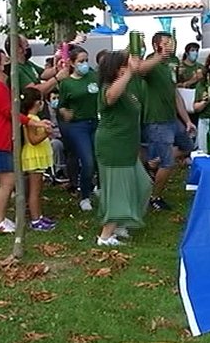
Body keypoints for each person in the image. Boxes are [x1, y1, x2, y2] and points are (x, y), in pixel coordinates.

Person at [0, 49, 52, 234]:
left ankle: (1, 218)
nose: (9, 61)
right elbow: (8, 112)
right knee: (7, 182)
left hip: (2, 140)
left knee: (8, 181)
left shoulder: (0, 85)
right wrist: (32, 122)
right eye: (5, 58)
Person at [94, 51, 152, 246]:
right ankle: (106, 236)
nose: (129, 68)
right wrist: (128, 72)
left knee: (143, 185)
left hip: (127, 147)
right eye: (124, 65)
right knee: (117, 191)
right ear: (116, 69)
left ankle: (120, 224)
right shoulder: (108, 88)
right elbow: (110, 97)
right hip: (114, 147)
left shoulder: (127, 87)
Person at [142, 32, 196, 211]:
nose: (170, 46)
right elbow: (140, 70)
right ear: (156, 45)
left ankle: (153, 163)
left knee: (187, 147)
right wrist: (158, 56)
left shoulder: (169, 67)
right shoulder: (151, 62)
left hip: (172, 119)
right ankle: (154, 197)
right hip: (157, 121)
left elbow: (175, 95)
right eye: (166, 43)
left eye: (171, 43)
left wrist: (187, 120)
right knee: (168, 163)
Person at [57, 45, 99, 211]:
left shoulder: (94, 76)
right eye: (81, 61)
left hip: (95, 122)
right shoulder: (67, 84)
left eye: (86, 60)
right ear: (72, 63)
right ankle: (85, 196)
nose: (85, 64)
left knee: (98, 159)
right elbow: (61, 105)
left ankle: (99, 187)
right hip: (78, 126)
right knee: (87, 161)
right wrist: (64, 112)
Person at [21, 87, 57, 231]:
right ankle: (35, 219)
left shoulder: (36, 119)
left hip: (39, 157)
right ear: (37, 103)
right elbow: (33, 140)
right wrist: (46, 134)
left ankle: (40, 216)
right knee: (34, 191)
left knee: (39, 189)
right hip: (33, 157)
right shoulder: (31, 120)